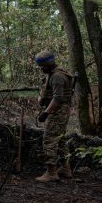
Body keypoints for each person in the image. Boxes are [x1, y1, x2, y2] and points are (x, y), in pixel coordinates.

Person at [34, 50, 74, 182]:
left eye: (42, 66)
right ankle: (65, 168)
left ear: (48, 64)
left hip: (58, 112)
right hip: (60, 111)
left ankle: (51, 172)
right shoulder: (54, 74)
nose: (41, 69)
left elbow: (57, 99)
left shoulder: (57, 76)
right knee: (61, 140)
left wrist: (45, 113)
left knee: (49, 140)